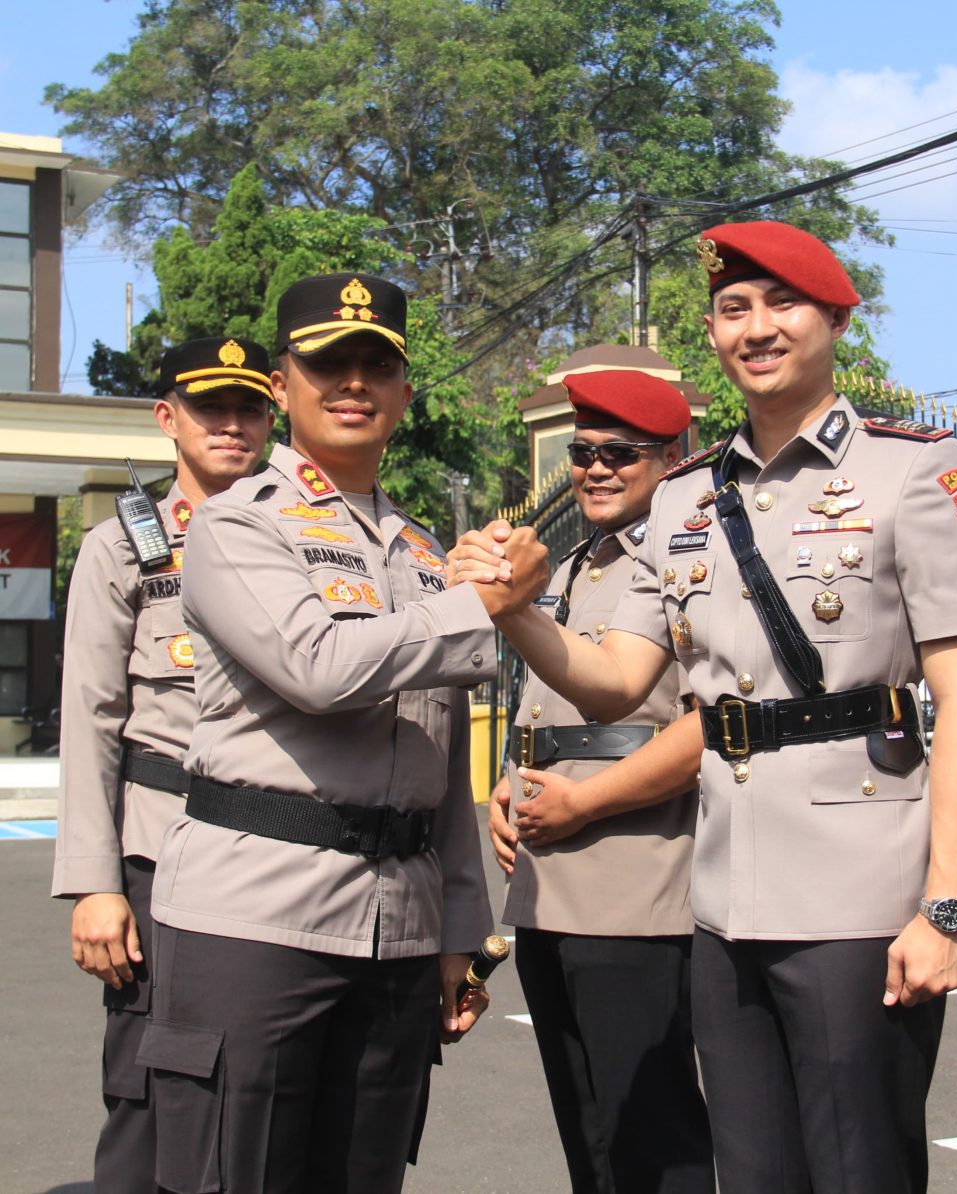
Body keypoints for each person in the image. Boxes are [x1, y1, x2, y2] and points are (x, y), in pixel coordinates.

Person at [453, 220, 957, 1193]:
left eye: (783, 304)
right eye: (733, 309)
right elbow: (617, 678)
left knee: (859, 1172)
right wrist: (515, 610)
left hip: (858, 893)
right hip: (722, 902)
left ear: (837, 319)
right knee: (751, 1173)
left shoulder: (916, 468)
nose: (756, 328)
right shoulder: (685, 498)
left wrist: (947, 905)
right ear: (711, 331)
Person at [140, 274, 540, 1194]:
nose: (354, 383)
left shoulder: (425, 552)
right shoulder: (237, 523)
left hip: (396, 936)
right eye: (328, 364)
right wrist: (477, 606)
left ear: (404, 393)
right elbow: (317, 667)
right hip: (255, 923)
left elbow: (441, 761)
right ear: (282, 386)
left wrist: (459, 930)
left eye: (377, 365)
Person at [51, 336, 275, 1194]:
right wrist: (94, 884)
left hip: (277, 857)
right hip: (162, 848)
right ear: (167, 418)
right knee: (149, 1090)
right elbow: (92, 718)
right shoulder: (125, 549)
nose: (231, 425)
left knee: (257, 1089)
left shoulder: (301, 536)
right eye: (210, 408)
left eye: (249, 408)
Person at [484, 367, 713, 1193]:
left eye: (622, 453)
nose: (596, 469)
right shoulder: (581, 562)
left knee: (650, 1134)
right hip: (548, 881)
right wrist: (510, 780)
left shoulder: (690, 557)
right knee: (589, 1135)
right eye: (583, 452)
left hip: (636, 883)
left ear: (672, 459)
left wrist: (584, 801)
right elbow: (554, 706)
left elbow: (712, 725)